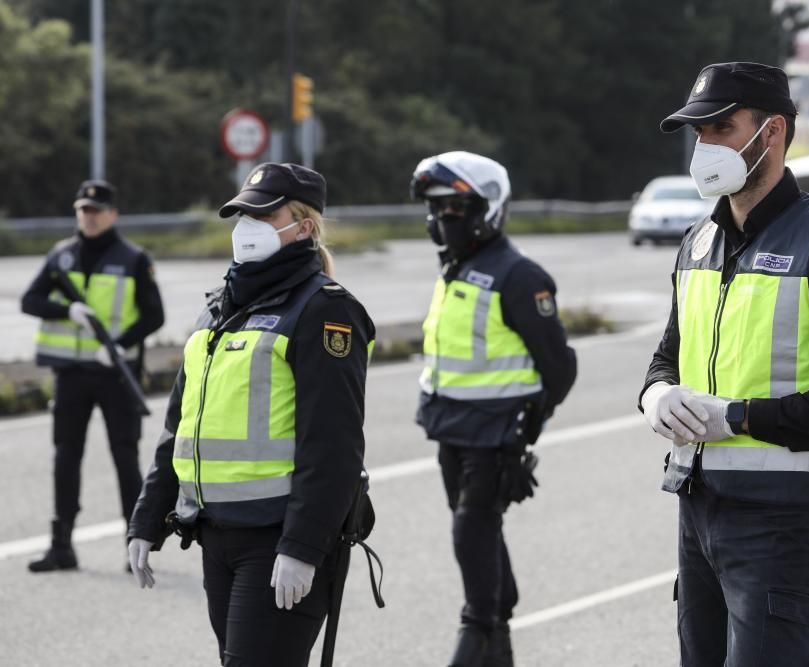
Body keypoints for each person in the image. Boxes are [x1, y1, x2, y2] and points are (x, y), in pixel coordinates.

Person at [638, 62, 809, 666]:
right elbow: (665, 358)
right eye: (697, 132)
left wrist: (736, 418)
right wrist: (655, 395)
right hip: (698, 506)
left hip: (786, 518)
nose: (704, 146)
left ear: (772, 132)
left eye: (720, 128)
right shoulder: (697, 242)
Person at [126, 163, 375, 667]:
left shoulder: (324, 311)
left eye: (263, 215)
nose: (246, 227)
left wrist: (304, 547)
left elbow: (333, 445)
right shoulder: (219, 309)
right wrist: (148, 518)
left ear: (303, 226)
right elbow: (180, 426)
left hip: (278, 538)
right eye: (241, 214)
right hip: (216, 535)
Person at [411, 151, 577, 667]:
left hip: (496, 435)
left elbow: (560, 367)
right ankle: (499, 638)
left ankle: (477, 627)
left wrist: (527, 427)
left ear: (488, 208)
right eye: (437, 209)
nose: (443, 219)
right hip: (449, 426)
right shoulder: (455, 267)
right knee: (478, 529)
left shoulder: (520, 275)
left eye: (455, 208)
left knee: (471, 527)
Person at [21, 179, 165, 573]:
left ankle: (134, 546)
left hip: (115, 374)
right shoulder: (61, 255)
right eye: (84, 210)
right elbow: (29, 300)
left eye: (97, 210)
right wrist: (65, 311)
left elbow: (155, 314)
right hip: (71, 375)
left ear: (113, 214)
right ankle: (61, 546)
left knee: (125, 458)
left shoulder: (134, 258)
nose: (90, 217)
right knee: (66, 457)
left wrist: (120, 344)